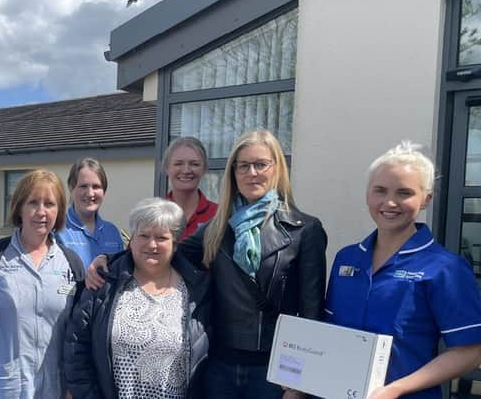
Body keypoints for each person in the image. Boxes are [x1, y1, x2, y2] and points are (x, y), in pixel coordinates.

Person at [86, 130, 327, 399]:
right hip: (220, 368)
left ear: (277, 169)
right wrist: (110, 260)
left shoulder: (304, 230)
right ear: (233, 172)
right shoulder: (218, 227)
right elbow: (166, 253)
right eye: (243, 165)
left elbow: (311, 314)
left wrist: (299, 383)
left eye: (261, 164)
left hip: (273, 372)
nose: (252, 173)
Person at [325, 141, 481, 399]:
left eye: (404, 193)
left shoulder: (445, 269)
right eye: (380, 190)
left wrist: (395, 390)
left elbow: (469, 352)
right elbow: (329, 332)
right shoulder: (347, 258)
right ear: (367, 194)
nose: (390, 202)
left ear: (426, 199)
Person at [65, 197, 210, 399]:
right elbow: (76, 350)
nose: (152, 244)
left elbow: (208, 362)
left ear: (175, 244)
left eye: (161, 238)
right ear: (131, 240)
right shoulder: (104, 282)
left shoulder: (197, 291)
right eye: (144, 235)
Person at [0, 169, 84, 399]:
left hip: (54, 389)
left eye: (50, 204)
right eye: (33, 202)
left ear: (59, 211)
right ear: (19, 207)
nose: (41, 212)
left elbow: (79, 332)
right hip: (0, 389)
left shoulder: (71, 262)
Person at [57, 158, 124, 267]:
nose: (90, 193)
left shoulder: (112, 232)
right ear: (71, 188)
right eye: (83, 186)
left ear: (104, 191)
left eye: (96, 187)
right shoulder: (58, 230)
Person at [163, 137, 217, 241]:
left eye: (194, 164)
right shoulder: (151, 215)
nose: (186, 170)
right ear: (167, 168)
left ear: (204, 169)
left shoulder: (218, 216)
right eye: (178, 163)